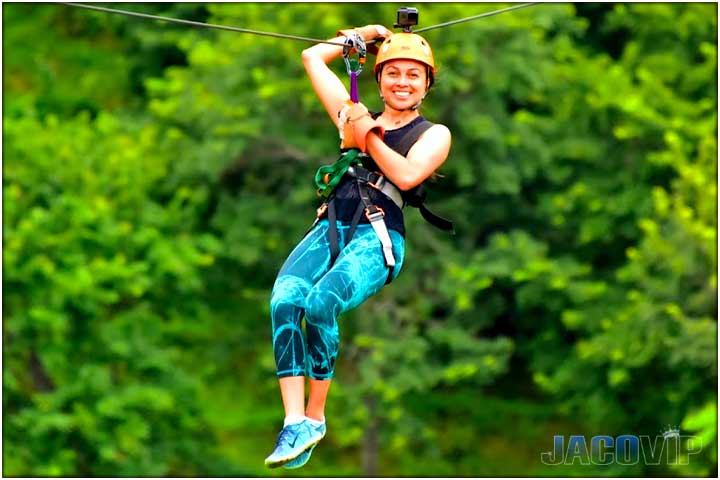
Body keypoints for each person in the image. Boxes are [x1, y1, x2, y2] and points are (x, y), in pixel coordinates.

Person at [264, 23, 451, 469]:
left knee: (321, 302)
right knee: (285, 301)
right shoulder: (354, 114)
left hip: (378, 234)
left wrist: (365, 131)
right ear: (379, 78)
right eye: (392, 73)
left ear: (426, 84)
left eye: (413, 75)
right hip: (332, 224)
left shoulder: (434, 133)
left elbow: (406, 176)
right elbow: (312, 58)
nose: (402, 82)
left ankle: (315, 417)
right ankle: (293, 422)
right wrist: (361, 34)